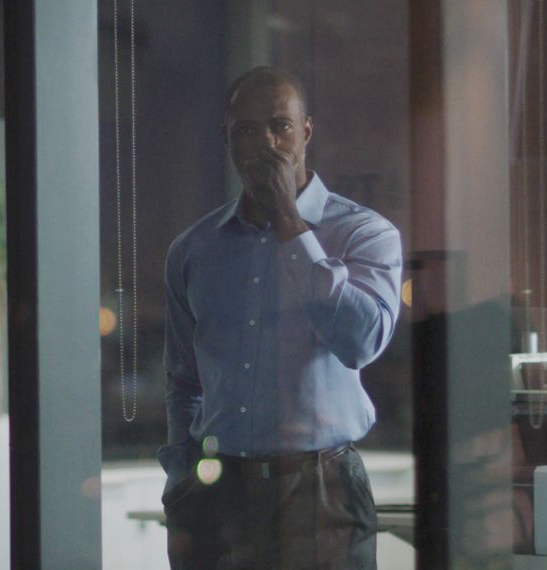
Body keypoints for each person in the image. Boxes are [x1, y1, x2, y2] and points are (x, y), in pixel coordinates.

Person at [158, 66, 402, 569]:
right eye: (246, 130)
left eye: (280, 126)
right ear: (227, 140)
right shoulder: (194, 250)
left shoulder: (363, 234)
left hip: (321, 490)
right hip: (217, 493)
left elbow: (362, 341)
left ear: (305, 132)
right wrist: (181, 476)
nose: (266, 144)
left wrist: (290, 222)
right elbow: (185, 380)